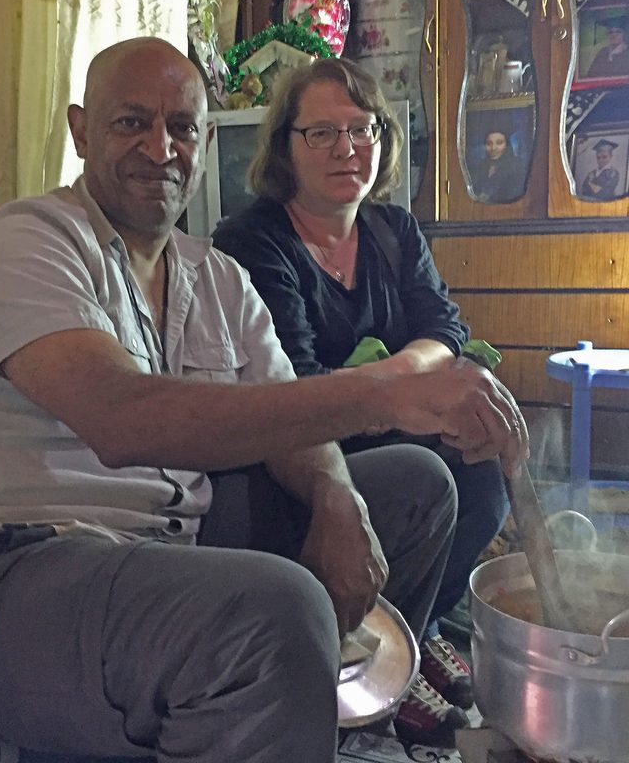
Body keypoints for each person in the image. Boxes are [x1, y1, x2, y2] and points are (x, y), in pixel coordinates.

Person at [0, 38, 527, 762]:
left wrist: (334, 494)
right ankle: (279, 691)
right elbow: (121, 418)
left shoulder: (216, 276)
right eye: (131, 123)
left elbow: (288, 410)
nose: (160, 149)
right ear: (81, 131)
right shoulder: (29, 240)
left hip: (161, 548)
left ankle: (328, 720)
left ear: (205, 139)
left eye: (182, 128)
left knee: (416, 485)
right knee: (277, 610)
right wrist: (387, 393)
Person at [212, 57, 514, 738]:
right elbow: (293, 379)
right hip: (300, 441)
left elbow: (444, 326)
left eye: (362, 128)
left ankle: (420, 625)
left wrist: (405, 376)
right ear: (285, 146)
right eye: (321, 132)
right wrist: (406, 392)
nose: (347, 148)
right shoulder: (252, 240)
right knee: (434, 469)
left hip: (387, 418)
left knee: (484, 475)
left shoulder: (392, 229)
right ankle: (375, 664)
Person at [469, 128, 524, 203]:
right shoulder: (480, 166)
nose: (493, 148)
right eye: (489, 143)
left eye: (499, 143)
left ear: (507, 145)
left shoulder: (517, 166)